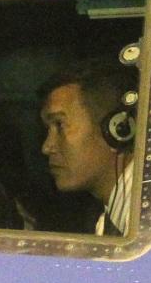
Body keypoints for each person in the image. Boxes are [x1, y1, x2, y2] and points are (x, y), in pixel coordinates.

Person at [37, 57, 139, 236]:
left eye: (60, 125)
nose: (47, 147)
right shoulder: (112, 220)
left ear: (117, 130)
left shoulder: (147, 220)